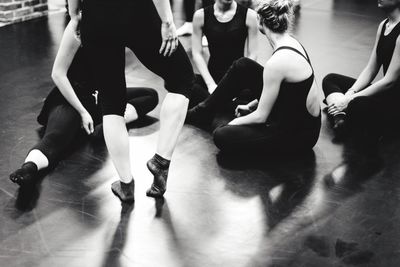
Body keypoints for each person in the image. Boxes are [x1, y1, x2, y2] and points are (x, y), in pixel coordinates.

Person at [68, 0, 195, 202]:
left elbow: (74, 7)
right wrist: (167, 21)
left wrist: (75, 16)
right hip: (136, 10)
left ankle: (126, 185)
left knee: (111, 103)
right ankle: (160, 162)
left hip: (95, 16)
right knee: (183, 79)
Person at [9, 20, 159, 187]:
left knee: (150, 95)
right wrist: (82, 112)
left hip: (97, 97)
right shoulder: (77, 28)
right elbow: (58, 74)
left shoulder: (114, 27)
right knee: (56, 138)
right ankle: (29, 168)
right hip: (71, 99)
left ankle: (107, 126)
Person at [186, 0, 321, 154]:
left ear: (260, 22)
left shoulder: (276, 62)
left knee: (220, 134)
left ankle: (205, 111)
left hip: (298, 136)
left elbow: (260, 117)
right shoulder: (292, 43)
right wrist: (251, 106)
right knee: (244, 65)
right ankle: (207, 110)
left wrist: (232, 123)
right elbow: (285, 91)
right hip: (298, 119)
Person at [322, 0, 400, 146]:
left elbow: (390, 81)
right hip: (384, 95)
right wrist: (350, 93)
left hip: (395, 103)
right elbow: (371, 68)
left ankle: (342, 115)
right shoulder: (384, 25)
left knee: (357, 104)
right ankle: (340, 117)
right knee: (330, 79)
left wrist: (349, 100)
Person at [189, 0, 259, 107]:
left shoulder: (250, 15)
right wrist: (210, 84)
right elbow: (196, 53)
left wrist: (234, 87)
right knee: (183, 82)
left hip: (238, 81)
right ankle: (222, 106)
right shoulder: (200, 15)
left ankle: (214, 106)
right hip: (213, 78)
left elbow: (253, 54)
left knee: (258, 90)